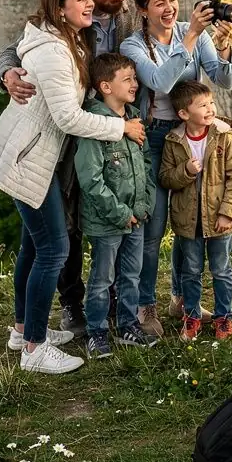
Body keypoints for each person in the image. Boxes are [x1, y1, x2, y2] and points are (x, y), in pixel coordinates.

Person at [0, 0, 142, 375]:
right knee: (54, 248)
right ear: (60, 9)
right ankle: (34, 348)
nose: (90, 4)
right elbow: (67, 117)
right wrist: (121, 128)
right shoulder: (54, 51)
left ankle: (23, 331)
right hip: (31, 158)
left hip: (35, 156)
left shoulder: (61, 38)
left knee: (34, 248)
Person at [121, 0, 232, 340]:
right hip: (154, 139)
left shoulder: (194, 32)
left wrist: (221, 49)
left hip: (192, 137)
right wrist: (189, 38)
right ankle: (145, 305)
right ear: (143, 10)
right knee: (153, 228)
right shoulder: (133, 45)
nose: (169, 8)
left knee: (190, 222)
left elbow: (223, 80)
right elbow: (159, 82)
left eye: (172, 0)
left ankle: (179, 299)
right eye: (159, 3)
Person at [74, 53, 157, 359]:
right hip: (109, 220)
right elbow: (91, 179)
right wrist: (120, 213)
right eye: (128, 79)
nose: (135, 84)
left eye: (135, 78)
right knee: (101, 279)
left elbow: (146, 163)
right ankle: (96, 332)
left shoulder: (133, 118)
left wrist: (144, 203)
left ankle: (127, 326)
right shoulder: (95, 126)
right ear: (106, 87)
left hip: (137, 215)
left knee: (131, 275)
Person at [160, 81, 232, 343]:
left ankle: (224, 317)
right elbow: (166, 178)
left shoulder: (224, 137)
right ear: (184, 114)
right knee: (191, 271)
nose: (210, 108)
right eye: (202, 105)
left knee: (221, 270)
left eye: (211, 102)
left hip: (220, 220)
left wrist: (227, 213)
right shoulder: (174, 141)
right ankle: (192, 316)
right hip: (188, 222)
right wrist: (185, 171)